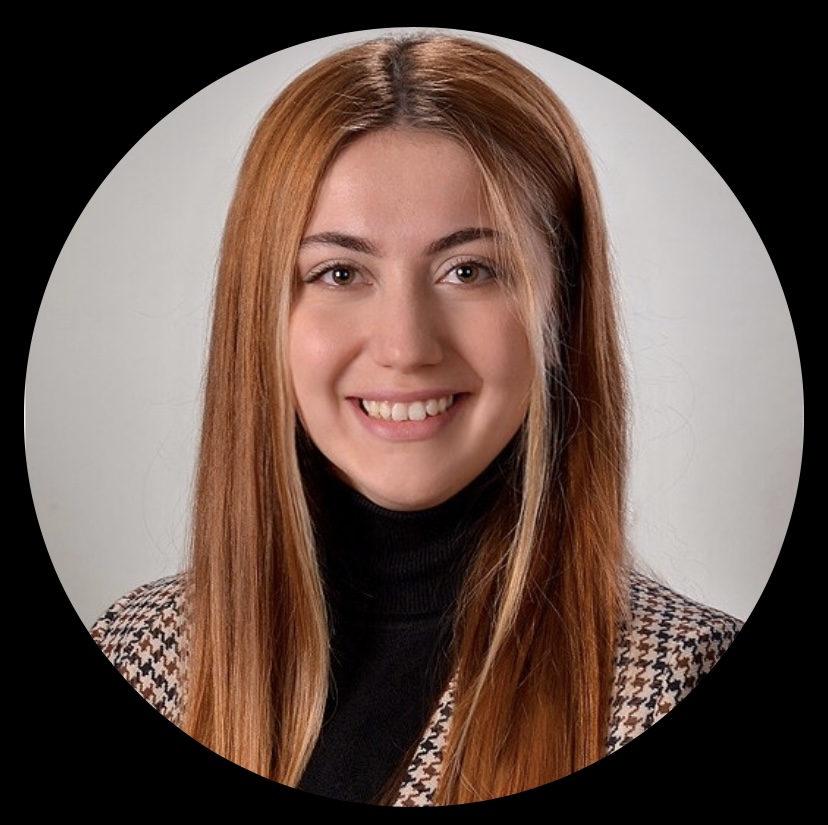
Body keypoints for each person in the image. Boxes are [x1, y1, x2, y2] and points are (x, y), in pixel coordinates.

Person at [90, 34, 741, 805]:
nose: (405, 347)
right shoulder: (138, 654)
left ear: (562, 310)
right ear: (258, 315)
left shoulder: (672, 680)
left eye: (469, 270)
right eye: (339, 272)